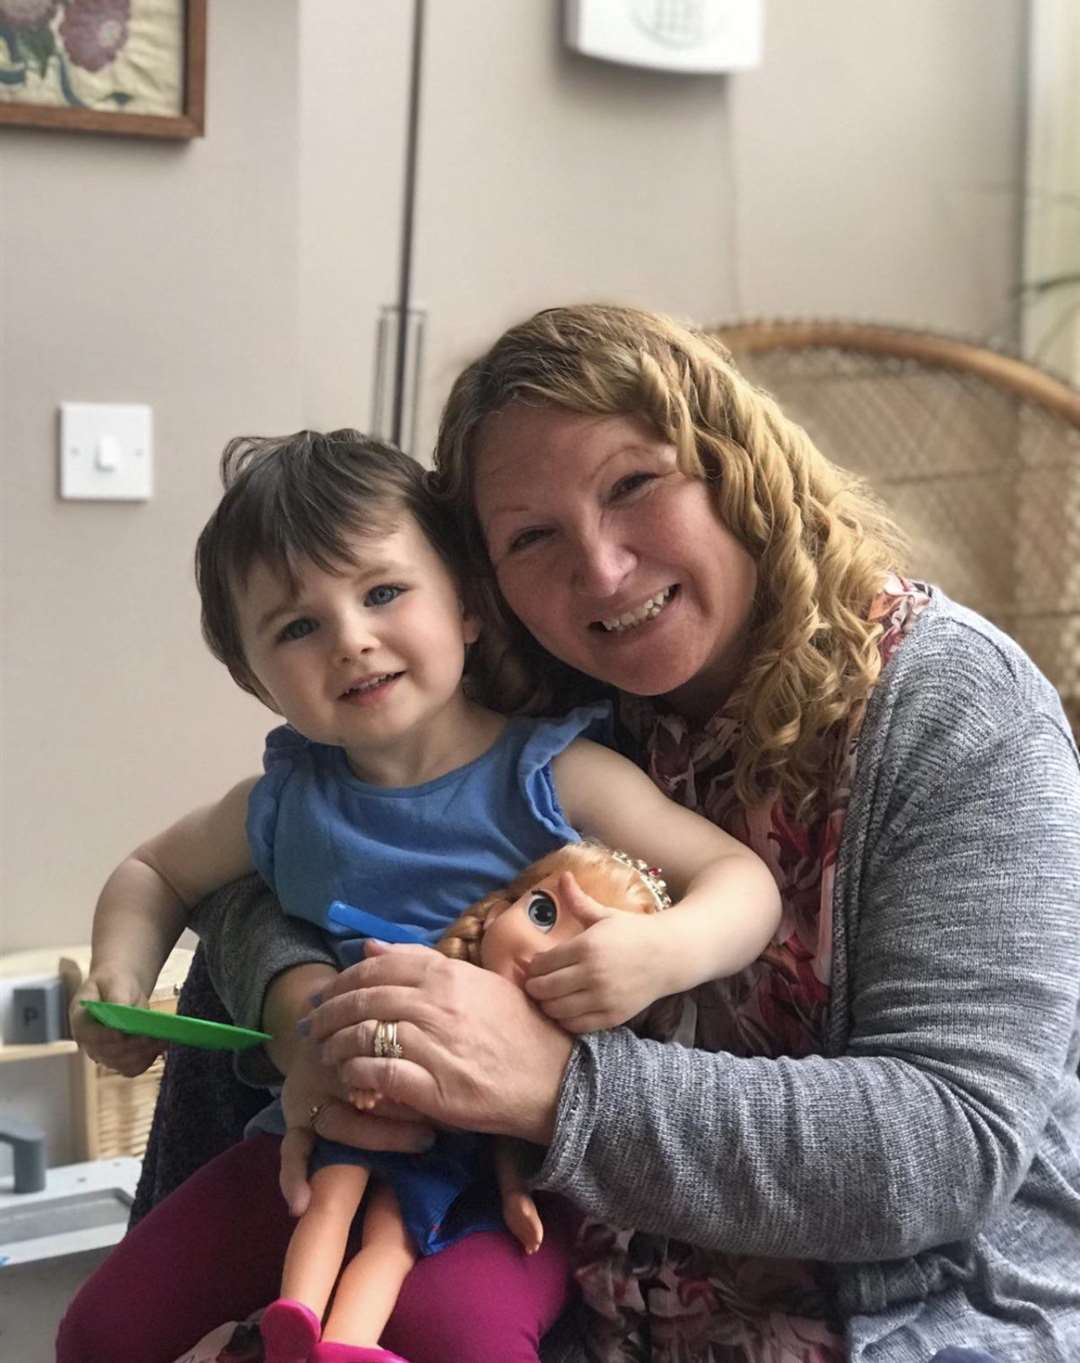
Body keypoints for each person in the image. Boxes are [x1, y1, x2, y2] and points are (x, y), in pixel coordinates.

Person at [66, 300, 1080, 1363]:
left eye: (635, 483)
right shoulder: (543, 686)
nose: (600, 570)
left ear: (733, 464)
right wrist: (301, 1007)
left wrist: (555, 1085)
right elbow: (267, 865)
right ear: (483, 583)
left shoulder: (954, 709)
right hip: (561, 1286)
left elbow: (952, 1142)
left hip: (896, 1321)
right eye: (531, 535)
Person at [64, 427, 781, 1363]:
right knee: (99, 1328)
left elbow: (741, 880)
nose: (352, 639)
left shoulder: (554, 778)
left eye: (384, 592)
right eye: (297, 626)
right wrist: (119, 979)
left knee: (460, 1340)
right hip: (305, 1151)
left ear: (469, 606)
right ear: (253, 676)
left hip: (503, 1182)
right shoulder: (282, 804)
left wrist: (659, 951)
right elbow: (152, 873)